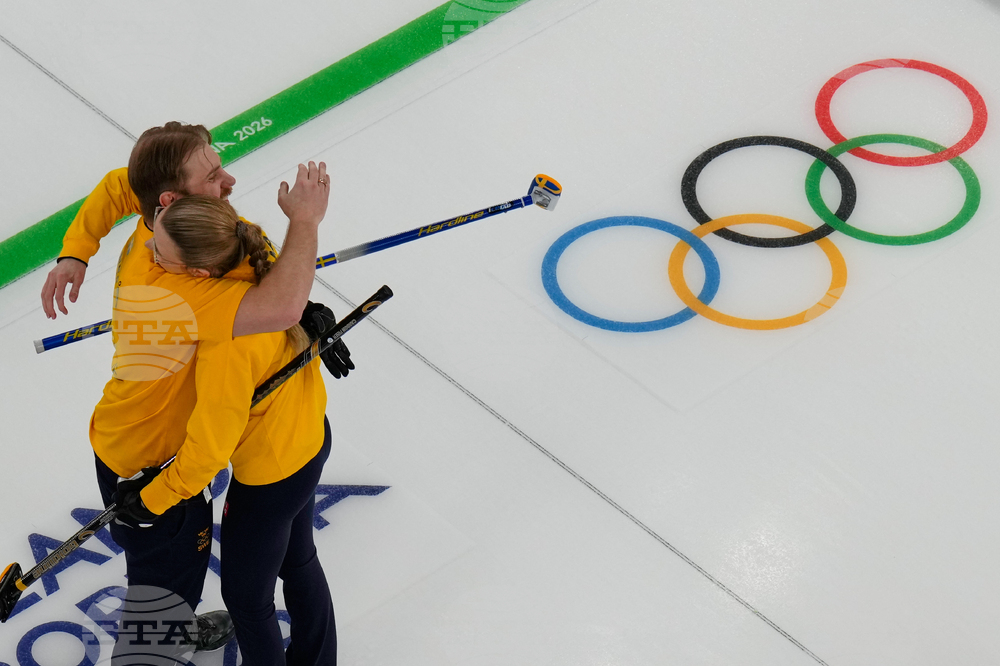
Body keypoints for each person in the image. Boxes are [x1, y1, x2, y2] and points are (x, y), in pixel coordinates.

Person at [38, 122, 351, 653]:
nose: (228, 181)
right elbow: (279, 305)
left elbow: (121, 183)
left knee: (170, 587)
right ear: (169, 200)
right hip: (153, 461)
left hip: (143, 445)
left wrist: (76, 250)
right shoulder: (181, 294)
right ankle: (153, 653)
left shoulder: (162, 227)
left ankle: (172, 632)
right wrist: (305, 226)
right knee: (161, 597)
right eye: (212, 175)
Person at [116, 195, 339, 665]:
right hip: (311, 436)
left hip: (270, 479)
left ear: (198, 274)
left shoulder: (227, 341)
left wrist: (151, 500)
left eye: (162, 256)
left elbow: (209, 450)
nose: (154, 259)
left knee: (247, 600)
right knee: (298, 561)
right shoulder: (255, 250)